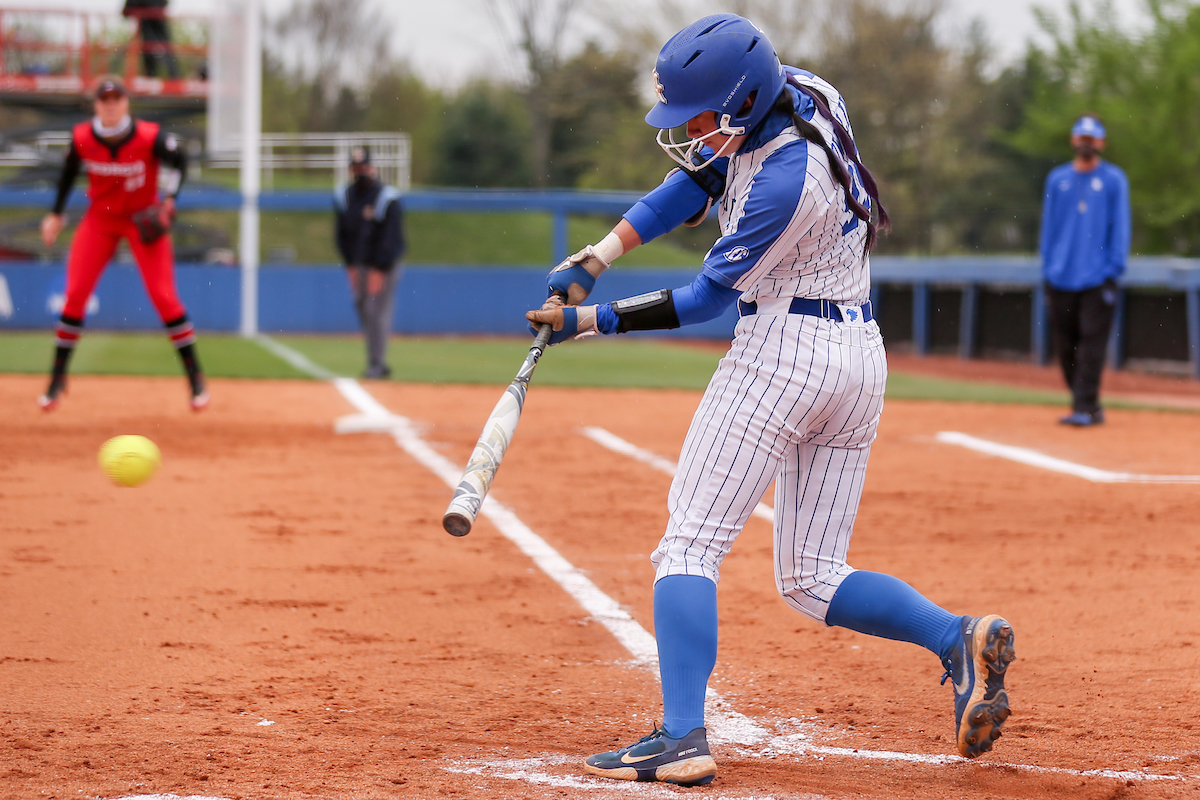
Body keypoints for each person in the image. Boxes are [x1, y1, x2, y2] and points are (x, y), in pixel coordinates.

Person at [525, 15, 1016, 787]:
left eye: (696, 115)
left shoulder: (788, 185)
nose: (686, 129)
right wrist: (599, 253)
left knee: (687, 546)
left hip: (783, 357)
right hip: (857, 357)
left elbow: (703, 299)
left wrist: (591, 320)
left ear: (740, 99)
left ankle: (682, 737)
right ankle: (957, 638)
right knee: (812, 574)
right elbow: (699, 178)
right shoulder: (800, 92)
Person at [39, 75, 205, 412]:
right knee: (75, 295)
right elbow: (69, 173)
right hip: (101, 220)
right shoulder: (82, 137)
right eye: (104, 99)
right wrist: (55, 214)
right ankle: (57, 379)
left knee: (164, 297)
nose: (111, 104)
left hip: (142, 220)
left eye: (116, 99)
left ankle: (195, 378)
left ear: (126, 102)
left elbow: (181, 160)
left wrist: (170, 197)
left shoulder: (149, 136)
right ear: (96, 104)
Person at [1040, 114, 1131, 427]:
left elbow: (1120, 225)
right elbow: (1049, 227)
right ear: (1073, 140)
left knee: (1093, 343)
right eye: (1082, 137)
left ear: (1101, 143)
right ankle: (1086, 403)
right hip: (1061, 276)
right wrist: (1049, 267)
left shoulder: (1113, 180)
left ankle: (1085, 406)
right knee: (1066, 346)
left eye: (1092, 138)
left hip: (1097, 277)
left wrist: (1113, 269)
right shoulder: (1057, 179)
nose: (1086, 143)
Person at [334, 147, 405, 379]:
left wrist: (380, 269)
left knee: (377, 312)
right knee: (363, 307)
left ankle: (377, 363)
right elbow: (342, 235)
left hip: (383, 266)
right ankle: (376, 361)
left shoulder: (386, 196)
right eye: (355, 168)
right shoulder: (346, 196)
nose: (359, 172)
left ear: (371, 167)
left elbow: (391, 238)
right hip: (359, 264)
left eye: (363, 167)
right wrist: (350, 266)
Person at [122, 0, 180, 79]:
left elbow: (126, 11)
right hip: (152, 26)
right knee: (158, 50)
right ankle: (172, 77)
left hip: (153, 26)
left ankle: (170, 77)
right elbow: (126, 11)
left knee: (158, 50)